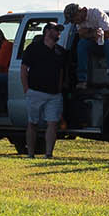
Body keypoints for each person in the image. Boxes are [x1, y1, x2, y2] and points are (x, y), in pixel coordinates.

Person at [20, 21, 68, 156]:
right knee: (32, 123)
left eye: (59, 30)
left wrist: (59, 90)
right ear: (47, 31)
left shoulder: (60, 52)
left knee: (52, 124)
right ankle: (30, 153)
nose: (58, 33)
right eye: (56, 30)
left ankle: (48, 154)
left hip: (54, 95)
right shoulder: (33, 48)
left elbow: (61, 72)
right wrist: (26, 89)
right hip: (35, 92)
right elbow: (24, 69)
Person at [61, 3, 109, 88]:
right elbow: (82, 36)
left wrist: (89, 33)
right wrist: (93, 34)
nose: (73, 22)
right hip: (96, 43)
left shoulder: (96, 13)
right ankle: (82, 80)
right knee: (82, 44)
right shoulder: (79, 22)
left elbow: (108, 34)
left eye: (73, 19)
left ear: (82, 11)